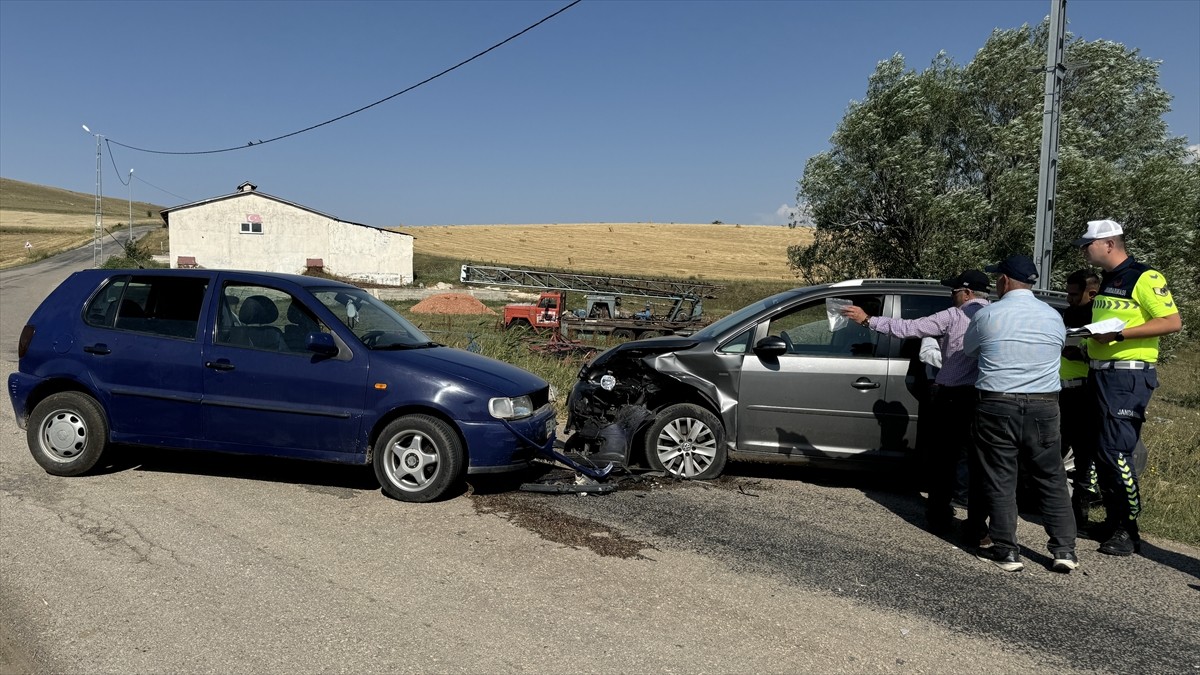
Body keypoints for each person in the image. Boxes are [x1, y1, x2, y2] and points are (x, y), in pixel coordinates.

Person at [840, 270, 990, 536]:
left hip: (952, 396)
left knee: (943, 460)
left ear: (967, 293)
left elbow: (909, 328)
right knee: (980, 463)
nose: (952, 296)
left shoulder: (953, 316)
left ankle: (939, 517)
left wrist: (868, 320)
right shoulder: (996, 316)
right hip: (985, 398)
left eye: (954, 292)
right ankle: (977, 526)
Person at [1075, 219, 1183, 556]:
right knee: (1100, 450)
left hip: (1127, 377)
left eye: (1088, 244)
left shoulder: (1145, 277)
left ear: (1109, 244)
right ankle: (1112, 520)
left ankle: (1127, 528)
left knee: (1116, 452)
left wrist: (1119, 335)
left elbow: (1172, 322)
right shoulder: (1108, 279)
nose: (1084, 250)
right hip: (1100, 374)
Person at [963, 255, 1076, 573]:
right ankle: (1064, 550)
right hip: (1044, 404)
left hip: (997, 403)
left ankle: (1006, 550)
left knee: (1000, 477)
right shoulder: (1053, 316)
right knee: (1051, 476)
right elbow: (1057, 347)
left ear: (1004, 280)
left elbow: (970, 350)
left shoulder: (989, 314)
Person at [1060, 269, 1102, 530]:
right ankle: (1055, 509)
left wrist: (1083, 354)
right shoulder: (1068, 313)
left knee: (1084, 457)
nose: (1069, 299)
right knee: (1052, 451)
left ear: (1092, 293)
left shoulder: (1101, 317)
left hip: (1085, 392)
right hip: (1061, 391)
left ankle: (1079, 515)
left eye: (1074, 294)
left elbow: (1107, 354)